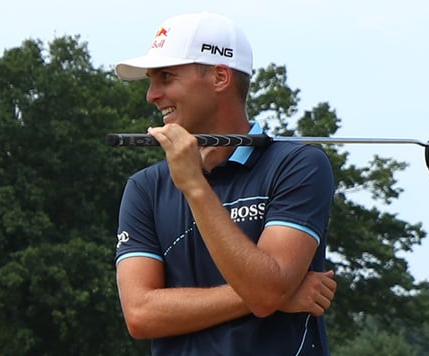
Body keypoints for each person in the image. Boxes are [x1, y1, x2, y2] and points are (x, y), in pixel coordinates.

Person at [113, 11, 337, 355]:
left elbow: (265, 292)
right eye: (150, 80)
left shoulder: (299, 165)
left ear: (220, 77)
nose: (152, 95)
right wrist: (278, 293)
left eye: (166, 77)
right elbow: (141, 314)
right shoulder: (145, 187)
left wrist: (195, 187)